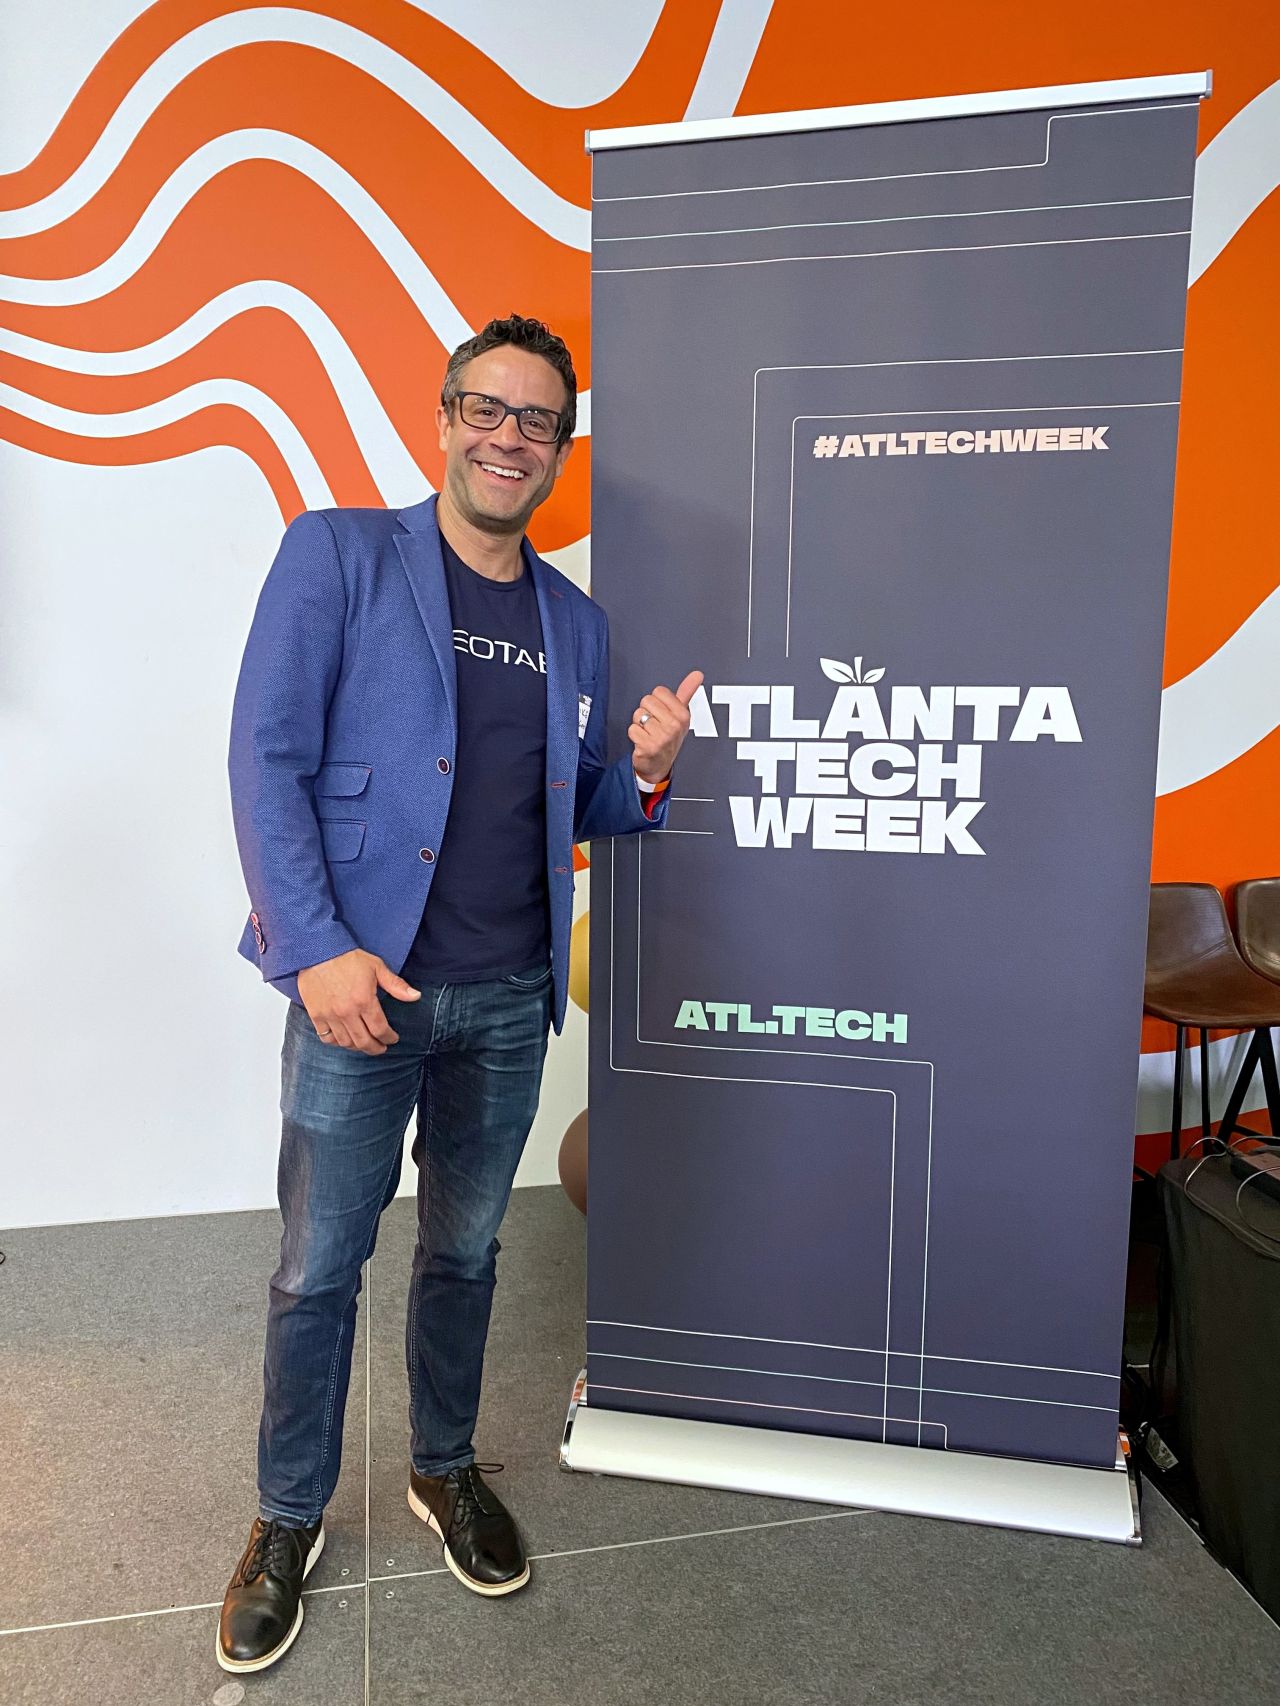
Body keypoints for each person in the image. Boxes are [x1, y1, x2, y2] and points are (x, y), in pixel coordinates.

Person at [218, 312, 701, 1673]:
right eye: (487, 409)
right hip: (360, 986)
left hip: (504, 996)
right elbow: (265, 756)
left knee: (467, 1253)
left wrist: (644, 771)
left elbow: (569, 803)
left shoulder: (575, 624)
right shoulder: (338, 554)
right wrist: (313, 947)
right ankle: (288, 1515)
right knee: (319, 1264)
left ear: (559, 450)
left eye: (537, 421)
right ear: (444, 419)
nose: (509, 437)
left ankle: (443, 1466)